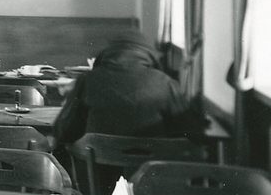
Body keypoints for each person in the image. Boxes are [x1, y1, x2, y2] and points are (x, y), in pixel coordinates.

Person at [52, 29, 205, 149]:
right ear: (149, 56)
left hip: (96, 174)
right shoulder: (166, 83)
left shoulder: (87, 80)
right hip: (151, 175)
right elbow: (193, 134)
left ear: (109, 53)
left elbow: (63, 131)